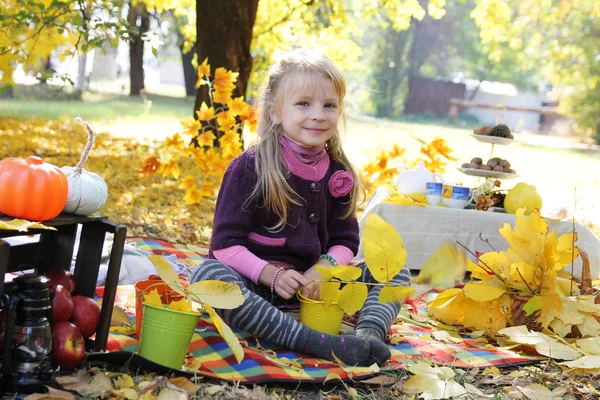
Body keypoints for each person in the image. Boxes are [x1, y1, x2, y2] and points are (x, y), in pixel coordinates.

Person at [190, 48, 411, 367]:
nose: (319, 114)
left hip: (317, 286)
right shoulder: (249, 168)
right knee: (207, 274)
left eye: (329, 105)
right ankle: (314, 342)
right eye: (303, 104)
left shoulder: (338, 172)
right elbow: (224, 247)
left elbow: (346, 240)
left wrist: (323, 271)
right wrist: (270, 274)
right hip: (258, 287)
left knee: (392, 268)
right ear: (273, 112)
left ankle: (368, 336)